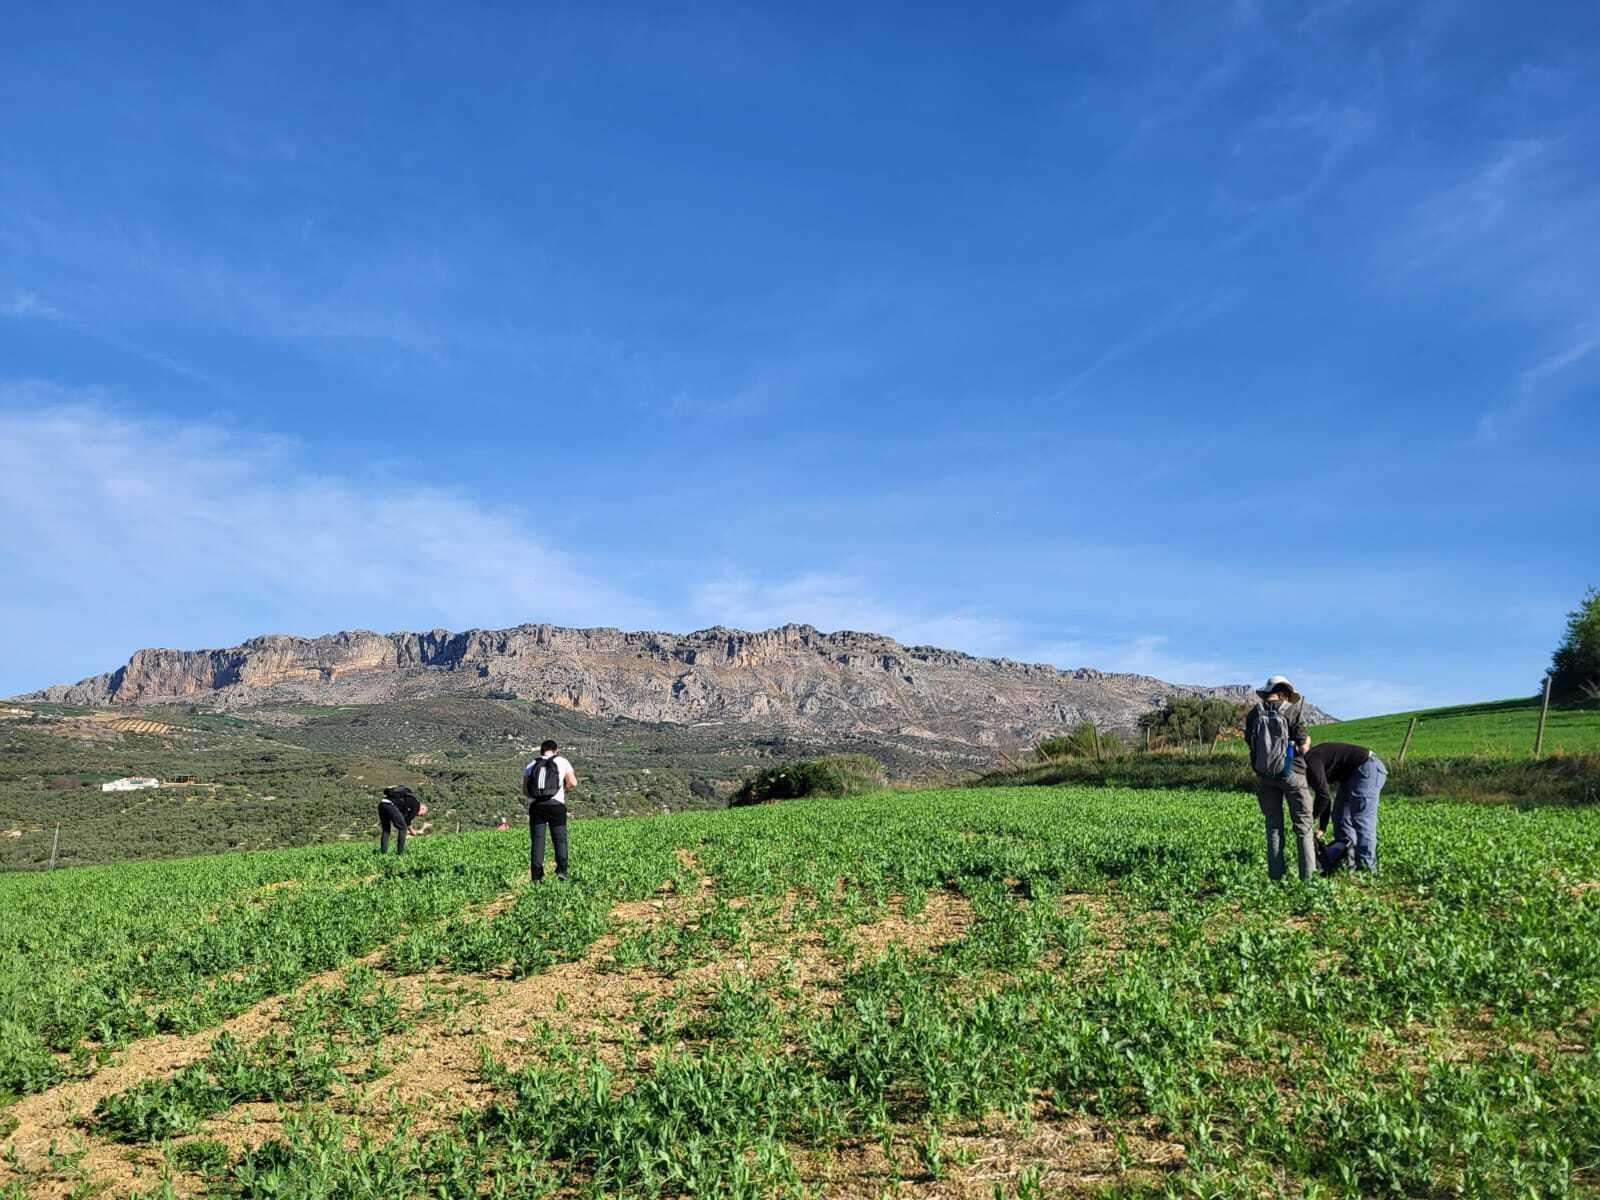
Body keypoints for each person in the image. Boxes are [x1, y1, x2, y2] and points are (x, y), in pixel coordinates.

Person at [1243, 675, 1316, 882]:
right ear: (1284, 692)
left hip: (1265, 777)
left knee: (1273, 826)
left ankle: (1276, 878)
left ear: (1268, 692)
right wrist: (1307, 740)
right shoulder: (1291, 711)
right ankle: (1308, 881)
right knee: (1303, 827)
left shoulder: (1254, 714)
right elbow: (1303, 747)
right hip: (1292, 774)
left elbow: (1250, 742)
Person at [1305, 740, 1386, 873]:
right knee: (1340, 816)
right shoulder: (1313, 760)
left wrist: (1310, 819)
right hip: (1352, 776)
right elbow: (1324, 795)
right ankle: (1349, 862)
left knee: (1362, 819)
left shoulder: (1311, 759)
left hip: (1366, 768)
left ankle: (1367, 869)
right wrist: (1322, 827)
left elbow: (1323, 795)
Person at [521, 739, 577, 882]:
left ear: (541, 751)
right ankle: (562, 871)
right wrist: (562, 790)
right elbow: (573, 782)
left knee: (537, 841)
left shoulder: (532, 764)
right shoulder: (562, 761)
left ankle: (537, 876)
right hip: (556, 805)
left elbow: (525, 790)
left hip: (537, 807)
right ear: (556, 750)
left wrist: (536, 797)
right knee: (560, 839)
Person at [378, 784, 427, 855]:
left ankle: (383, 853)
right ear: (422, 808)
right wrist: (412, 830)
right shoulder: (416, 806)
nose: (418, 815)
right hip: (390, 805)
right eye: (421, 814)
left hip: (382, 804)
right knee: (403, 828)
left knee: (386, 830)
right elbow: (407, 821)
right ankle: (400, 853)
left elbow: (403, 818)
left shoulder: (408, 801)